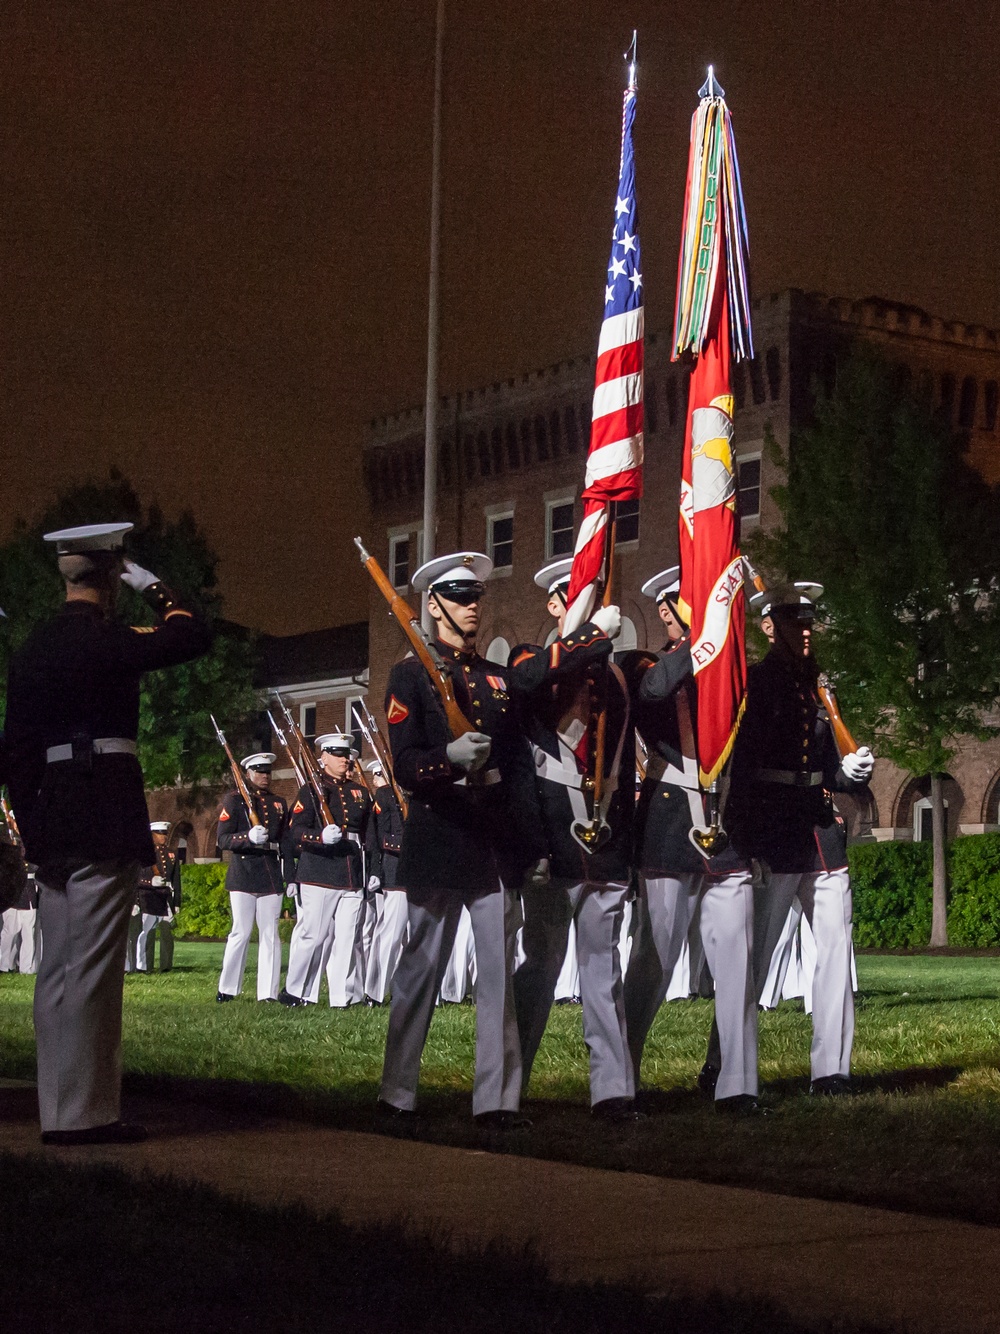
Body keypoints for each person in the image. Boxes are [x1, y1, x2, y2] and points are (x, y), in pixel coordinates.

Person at [4, 521, 211, 1144]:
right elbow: (191, 634)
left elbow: (13, 752)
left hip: (53, 812)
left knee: (57, 970)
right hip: (103, 810)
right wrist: (156, 587)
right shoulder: (111, 638)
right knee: (93, 971)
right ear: (111, 574)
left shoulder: (34, 647)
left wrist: (33, 824)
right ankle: (86, 1115)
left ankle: (56, 1108)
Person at [377, 551, 540, 1129]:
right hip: (441, 829)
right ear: (435, 605)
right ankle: (397, 1092)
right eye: (462, 598)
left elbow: (518, 764)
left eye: (477, 598)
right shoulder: (409, 674)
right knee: (421, 967)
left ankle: (497, 1099)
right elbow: (405, 763)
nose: (473, 608)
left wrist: (530, 844)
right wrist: (446, 760)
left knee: (498, 972)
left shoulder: (495, 678)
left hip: (492, 837)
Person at [707, 582, 874, 1095]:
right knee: (753, 961)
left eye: (808, 622)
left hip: (820, 830)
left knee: (834, 949)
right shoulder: (754, 684)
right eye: (793, 621)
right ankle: (721, 1063)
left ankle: (832, 1069)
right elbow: (743, 767)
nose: (805, 631)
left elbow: (827, 766)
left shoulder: (822, 685)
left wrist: (852, 772)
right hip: (774, 829)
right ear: (768, 626)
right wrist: (746, 842)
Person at [621, 567, 758, 1113]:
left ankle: (736, 1082)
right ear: (665, 611)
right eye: (690, 599)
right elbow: (652, 691)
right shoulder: (649, 662)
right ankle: (619, 1070)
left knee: (737, 962)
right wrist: (703, 639)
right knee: (654, 959)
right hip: (671, 822)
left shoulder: (730, 666)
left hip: (724, 825)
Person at [508, 557, 639, 1122]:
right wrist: (587, 639)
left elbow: (625, 770)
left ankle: (611, 1090)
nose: (581, 605)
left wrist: (627, 845)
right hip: (552, 835)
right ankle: (509, 1079)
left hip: (603, 831)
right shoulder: (532, 661)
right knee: (540, 962)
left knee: (602, 966)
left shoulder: (615, 678)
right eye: (574, 598)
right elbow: (526, 683)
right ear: (557, 605)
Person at [279, 731, 371, 1008]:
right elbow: (294, 832)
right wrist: (319, 838)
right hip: (319, 871)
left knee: (347, 937)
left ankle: (343, 997)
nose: (345, 760)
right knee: (314, 935)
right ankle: (296, 991)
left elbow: (369, 835)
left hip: (351, 871)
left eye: (346, 754)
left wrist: (373, 870)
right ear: (324, 758)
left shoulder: (360, 792)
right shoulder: (310, 791)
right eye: (338, 754)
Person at [216, 752, 291, 1003]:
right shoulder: (234, 801)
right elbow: (223, 839)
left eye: (267, 771)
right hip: (244, 872)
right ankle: (227, 988)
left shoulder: (278, 802)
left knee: (270, 933)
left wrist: (289, 875)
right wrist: (247, 837)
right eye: (259, 771)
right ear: (248, 774)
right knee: (241, 931)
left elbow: (285, 840)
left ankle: (268, 993)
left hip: (270, 871)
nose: (264, 776)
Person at [363, 759, 408, 1005]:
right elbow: (378, 836)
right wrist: (376, 871)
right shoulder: (385, 795)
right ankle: (377, 992)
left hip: (420, 874)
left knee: (417, 939)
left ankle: (414, 993)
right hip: (397, 871)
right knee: (390, 935)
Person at [135, 821, 181, 972]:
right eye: (160, 834)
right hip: (149, 896)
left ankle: (166, 965)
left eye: (165, 834)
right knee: (148, 932)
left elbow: (176, 879)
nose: (164, 837)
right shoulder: (144, 854)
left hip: (165, 896)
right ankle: (146, 966)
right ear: (152, 836)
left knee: (166, 932)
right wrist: (150, 881)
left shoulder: (171, 854)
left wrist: (176, 902)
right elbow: (136, 877)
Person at [0, 870, 39, 974]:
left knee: (28, 935)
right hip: (11, 895)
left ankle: (26, 968)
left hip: (29, 895)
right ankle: (4, 965)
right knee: (9, 932)